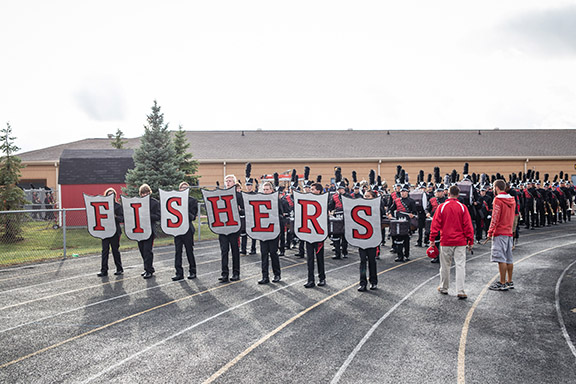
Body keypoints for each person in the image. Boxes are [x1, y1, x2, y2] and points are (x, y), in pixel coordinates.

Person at [429, 185, 474, 299]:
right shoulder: (463, 207)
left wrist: (432, 239)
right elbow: (468, 225)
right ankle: (461, 290)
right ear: (458, 195)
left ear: (447, 194)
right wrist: (470, 240)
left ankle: (444, 287)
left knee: (445, 266)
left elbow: (435, 224)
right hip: (460, 241)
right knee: (460, 266)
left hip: (446, 240)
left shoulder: (442, 207)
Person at [487, 180, 517, 291]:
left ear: (497, 187)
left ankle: (502, 282)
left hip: (500, 232)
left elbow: (495, 217)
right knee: (509, 257)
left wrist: (490, 231)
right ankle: (509, 281)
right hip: (509, 231)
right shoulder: (512, 199)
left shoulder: (498, 200)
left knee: (501, 258)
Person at [218, 174, 244, 283]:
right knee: (224, 251)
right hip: (223, 228)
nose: (228, 183)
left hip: (234, 228)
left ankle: (236, 273)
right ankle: (224, 274)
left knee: (235, 251)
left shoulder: (239, 196)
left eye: (230, 181)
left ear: (234, 183)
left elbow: (244, 210)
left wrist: (239, 210)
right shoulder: (220, 195)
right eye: (226, 181)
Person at [172, 182, 199, 281]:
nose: (183, 189)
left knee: (189, 251)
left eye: (185, 188)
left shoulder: (192, 201)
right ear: (179, 189)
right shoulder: (174, 200)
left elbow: (193, 217)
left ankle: (193, 271)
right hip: (177, 229)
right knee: (177, 252)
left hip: (187, 229)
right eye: (182, 188)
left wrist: (183, 209)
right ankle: (179, 273)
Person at [258, 182, 283, 284]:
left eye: (267, 189)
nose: (265, 191)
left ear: (272, 190)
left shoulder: (277, 200)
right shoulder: (259, 201)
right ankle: (265, 276)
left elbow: (281, 215)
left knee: (273, 253)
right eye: (264, 189)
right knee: (264, 254)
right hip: (263, 231)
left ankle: (277, 274)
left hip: (273, 231)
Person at [97, 187, 124, 277]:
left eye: (112, 195)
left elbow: (122, 218)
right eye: (109, 194)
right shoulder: (102, 205)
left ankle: (119, 269)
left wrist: (116, 217)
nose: (110, 196)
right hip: (105, 231)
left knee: (115, 250)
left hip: (115, 232)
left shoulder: (118, 206)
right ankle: (104, 270)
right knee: (104, 251)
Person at [304, 183, 326, 288]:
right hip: (309, 234)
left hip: (318, 235)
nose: (310, 191)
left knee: (320, 258)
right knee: (309, 259)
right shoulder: (307, 201)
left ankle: (322, 278)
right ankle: (310, 280)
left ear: (319, 191)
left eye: (313, 189)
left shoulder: (323, 200)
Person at [358, 189, 380, 291]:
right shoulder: (359, 206)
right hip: (362, 238)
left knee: (372, 261)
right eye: (365, 196)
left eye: (368, 196)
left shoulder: (377, 206)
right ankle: (362, 283)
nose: (366, 198)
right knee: (362, 261)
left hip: (372, 238)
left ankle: (373, 282)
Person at [388, 184, 417, 262]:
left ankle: (406, 254)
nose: (403, 193)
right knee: (398, 239)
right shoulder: (396, 201)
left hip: (406, 222)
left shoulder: (411, 201)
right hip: (398, 221)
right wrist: (390, 214)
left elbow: (414, 212)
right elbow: (391, 209)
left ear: (407, 192)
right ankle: (399, 255)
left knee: (406, 239)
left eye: (404, 192)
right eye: (401, 192)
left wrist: (412, 215)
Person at [137, 184, 161, 279]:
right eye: (143, 193)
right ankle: (148, 268)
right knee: (142, 250)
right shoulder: (137, 202)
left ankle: (148, 270)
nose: (145, 194)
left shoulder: (154, 202)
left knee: (147, 250)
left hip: (150, 230)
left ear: (149, 192)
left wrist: (148, 215)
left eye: (146, 192)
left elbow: (158, 216)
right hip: (139, 230)